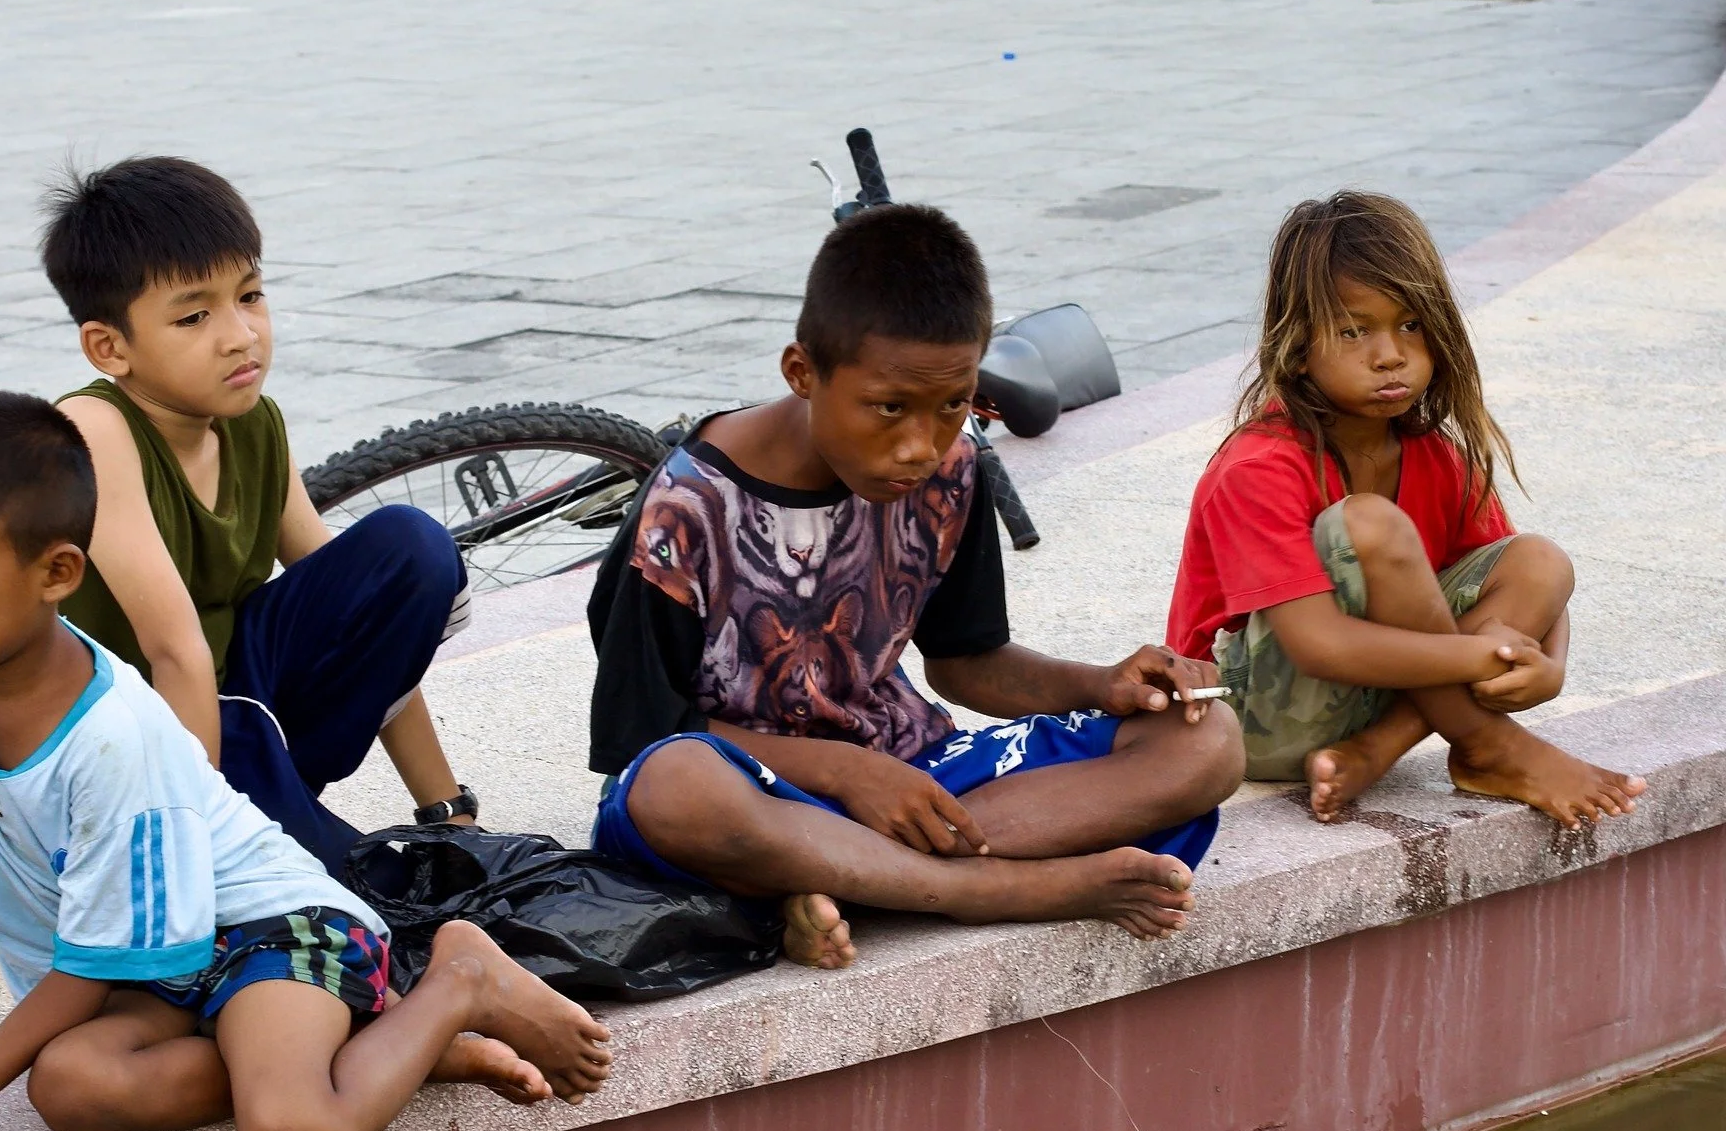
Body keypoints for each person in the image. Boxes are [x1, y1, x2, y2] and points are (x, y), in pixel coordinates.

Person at [0, 392, 612, 1131]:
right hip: (154, 966)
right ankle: (373, 1048)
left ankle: (455, 979)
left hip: (272, 929)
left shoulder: (112, 734)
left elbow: (89, 964)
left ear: (57, 572)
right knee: (67, 1085)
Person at [585, 205, 1243, 968]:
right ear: (802, 371)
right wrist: (847, 772)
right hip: (755, 793)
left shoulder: (953, 470)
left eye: (952, 405)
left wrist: (1102, 683)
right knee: (673, 788)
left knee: (1205, 745)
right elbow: (641, 739)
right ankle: (995, 889)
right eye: (888, 408)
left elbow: (968, 661)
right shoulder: (687, 508)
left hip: (918, 780)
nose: (919, 445)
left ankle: (828, 885)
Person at [39, 156, 477, 877]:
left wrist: (447, 809)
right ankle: (252, 840)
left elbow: (369, 612)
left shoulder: (250, 421)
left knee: (409, 549)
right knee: (371, 902)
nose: (241, 335)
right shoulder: (95, 428)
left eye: (251, 295)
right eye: (193, 315)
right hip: (138, 756)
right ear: (108, 346)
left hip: (242, 712)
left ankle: (280, 819)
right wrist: (197, 853)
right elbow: (174, 649)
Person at [1166, 189, 1648, 826]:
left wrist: (1548, 668)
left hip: (1380, 698)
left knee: (1540, 560)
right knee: (1371, 526)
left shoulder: (1435, 455)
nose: (1389, 353)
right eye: (1354, 331)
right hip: (1246, 718)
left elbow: (1524, 592)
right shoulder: (1259, 467)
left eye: (1410, 325)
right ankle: (1492, 746)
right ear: (1298, 345)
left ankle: (1378, 747)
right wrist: (1489, 657)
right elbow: (1320, 647)